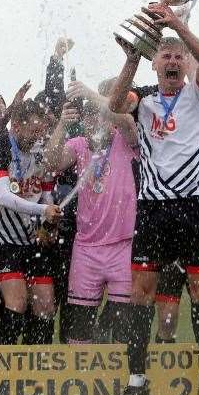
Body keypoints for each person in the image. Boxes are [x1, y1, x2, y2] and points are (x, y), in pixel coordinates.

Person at [109, 1, 199, 395]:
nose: (173, 60)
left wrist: (177, 25)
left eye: (179, 56)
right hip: (153, 209)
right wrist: (133, 55)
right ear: (156, 64)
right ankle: (136, 384)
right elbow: (114, 104)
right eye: (166, 55)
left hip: (192, 207)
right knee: (141, 295)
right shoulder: (147, 100)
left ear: (185, 63)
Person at [45, 81, 138, 345]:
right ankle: (81, 380)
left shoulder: (125, 139)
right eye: (89, 118)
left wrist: (90, 95)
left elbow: (128, 123)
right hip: (86, 246)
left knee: (124, 325)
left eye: (100, 117)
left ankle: (124, 380)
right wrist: (62, 125)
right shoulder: (79, 144)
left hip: (123, 244)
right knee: (80, 324)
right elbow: (52, 164)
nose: (96, 123)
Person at [0, 99, 61, 345]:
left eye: (41, 132)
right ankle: (4, 368)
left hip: (33, 240)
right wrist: (44, 209)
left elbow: (46, 187)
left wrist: (49, 222)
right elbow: (4, 197)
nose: (38, 137)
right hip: (1, 241)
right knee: (16, 303)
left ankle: (38, 366)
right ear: (16, 125)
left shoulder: (40, 149)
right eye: (33, 131)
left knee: (46, 306)